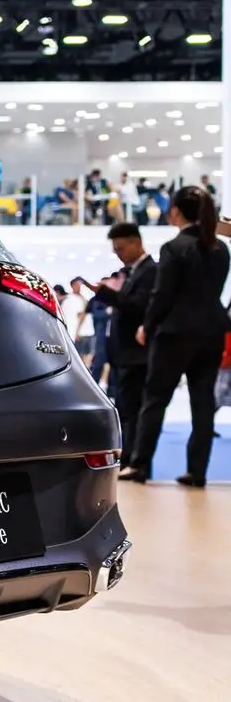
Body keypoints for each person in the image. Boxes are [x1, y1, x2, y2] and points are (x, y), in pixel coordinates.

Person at [122, 186, 231, 487]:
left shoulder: (173, 247)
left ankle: (139, 464)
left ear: (175, 212)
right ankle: (197, 472)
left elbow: (163, 294)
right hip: (211, 332)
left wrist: (147, 325)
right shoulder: (221, 248)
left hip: (175, 332)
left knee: (155, 399)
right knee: (203, 402)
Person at [76, 223, 156, 463]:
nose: (118, 255)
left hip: (136, 353)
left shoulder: (150, 271)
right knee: (125, 408)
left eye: (121, 249)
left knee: (133, 410)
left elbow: (137, 307)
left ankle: (134, 460)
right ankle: (128, 458)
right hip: (123, 353)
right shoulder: (131, 273)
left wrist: (105, 293)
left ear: (136, 242)